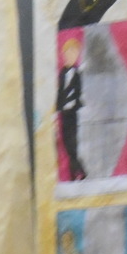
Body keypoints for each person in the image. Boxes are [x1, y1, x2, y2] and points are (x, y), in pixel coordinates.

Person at [56, 38, 87, 181]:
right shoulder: (62, 73)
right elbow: (60, 91)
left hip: (72, 112)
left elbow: (77, 92)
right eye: (68, 53)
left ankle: (77, 174)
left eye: (74, 53)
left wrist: (72, 102)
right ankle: (79, 172)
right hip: (63, 112)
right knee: (66, 143)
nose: (70, 56)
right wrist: (58, 107)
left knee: (72, 144)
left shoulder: (77, 73)